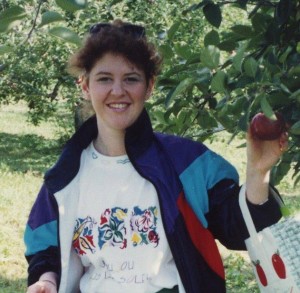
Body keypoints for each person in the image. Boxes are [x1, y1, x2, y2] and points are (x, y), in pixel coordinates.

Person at [24, 20, 288, 293]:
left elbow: (238, 230)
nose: (118, 91)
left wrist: (258, 173)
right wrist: (46, 280)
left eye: (131, 78)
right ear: (85, 86)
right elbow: (44, 247)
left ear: (149, 86)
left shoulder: (186, 163)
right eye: (104, 78)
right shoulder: (65, 178)